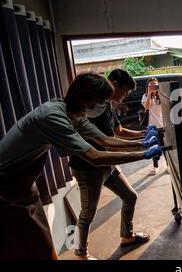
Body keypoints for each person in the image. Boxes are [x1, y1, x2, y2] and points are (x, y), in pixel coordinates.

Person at [0, 73, 161, 260]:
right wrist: (144, 155)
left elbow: (106, 141)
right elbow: (94, 156)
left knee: (40, 245)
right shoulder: (53, 116)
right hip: (6, 187)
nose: (104, 105)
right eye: (102, 100)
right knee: (30, 247)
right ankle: (81, 254)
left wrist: (143, 143)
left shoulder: (74, 114)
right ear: (88, 99)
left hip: (24, 183)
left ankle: (123, 236)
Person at [69, 69, 156, 260]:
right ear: (114, 84)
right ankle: (80, 255)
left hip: (107, 164)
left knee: (130, 196)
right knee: (87, 215)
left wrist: (144, 135)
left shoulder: (106, 106)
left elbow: (118, 132)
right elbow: (105, 143)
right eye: (125, 92)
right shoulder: (86, 109)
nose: (124, 97)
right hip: (88, 168)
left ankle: (126, 236)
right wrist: (142, 148)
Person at [141, 78, 164, 175]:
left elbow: (167, 106)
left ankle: (169, 165)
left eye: (155, 85)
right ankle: (155, 166)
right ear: (147, 87)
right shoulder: (145, 96)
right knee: (154, 147)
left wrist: (159, 92)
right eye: (151, 85)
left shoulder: (162, 95)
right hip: (152, 127)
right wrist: (150, 94)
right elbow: (146, 107)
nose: (153, 87)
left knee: (166, 147)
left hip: (163, 125)